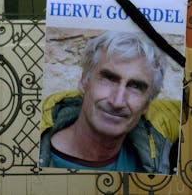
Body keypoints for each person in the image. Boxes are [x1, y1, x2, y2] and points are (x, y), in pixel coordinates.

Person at [39, 31, 181, 174]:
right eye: (109, 78)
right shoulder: (32, 148)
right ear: (84, 81)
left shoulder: (160, 135)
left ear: (147, 104)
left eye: (136, 86)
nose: (117, 102)